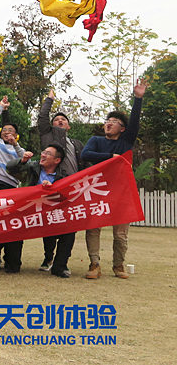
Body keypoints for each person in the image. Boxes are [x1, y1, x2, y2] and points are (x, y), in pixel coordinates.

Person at [81, 78, 148, 280]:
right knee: (93, 228)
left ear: (122, 129)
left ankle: (118, 265)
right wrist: (111, 158)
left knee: (120, 234)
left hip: (122, 191)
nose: (108, 124)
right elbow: (85, 155)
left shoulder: (127, 141)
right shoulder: (96, 141)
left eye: (114, 122)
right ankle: (94, 264)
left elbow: (135, 121)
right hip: (99, 190)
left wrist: (138, 98)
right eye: (107, 121)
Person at [36, 89, 85, 271]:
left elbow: (85, 165)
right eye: (57, 119)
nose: (60, 121)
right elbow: (42, 118)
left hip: (72, 190)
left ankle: (61, 263)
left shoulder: (77, 144)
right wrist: (49, 100)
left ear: (69, 126)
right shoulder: (48, 136)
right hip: (52, 186)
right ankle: (48, 257)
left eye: (64, 120)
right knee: (50, 223)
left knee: (70, 226)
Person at [7, 145, 71, 277]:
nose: (43, 155)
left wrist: (53, 189)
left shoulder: (63, 176)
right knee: (13, 226)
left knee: (70, 231)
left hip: (50, 213)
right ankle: (12, 264)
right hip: (28, 210)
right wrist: (22, 161)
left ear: (57, 160)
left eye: (47, 154)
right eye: (43, 152)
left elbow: (66, 197)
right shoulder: (32, 167)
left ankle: (59, 266)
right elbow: (10, 168)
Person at [0, 95, 27, 273]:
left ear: (16, 135)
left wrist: (15, 144)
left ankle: (12, 262)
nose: (8, 133)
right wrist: (1, 106)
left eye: (11, 131)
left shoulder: (20, 150)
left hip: (11, 189)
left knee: (10, 226)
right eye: (5, 130)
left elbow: (22, 159)